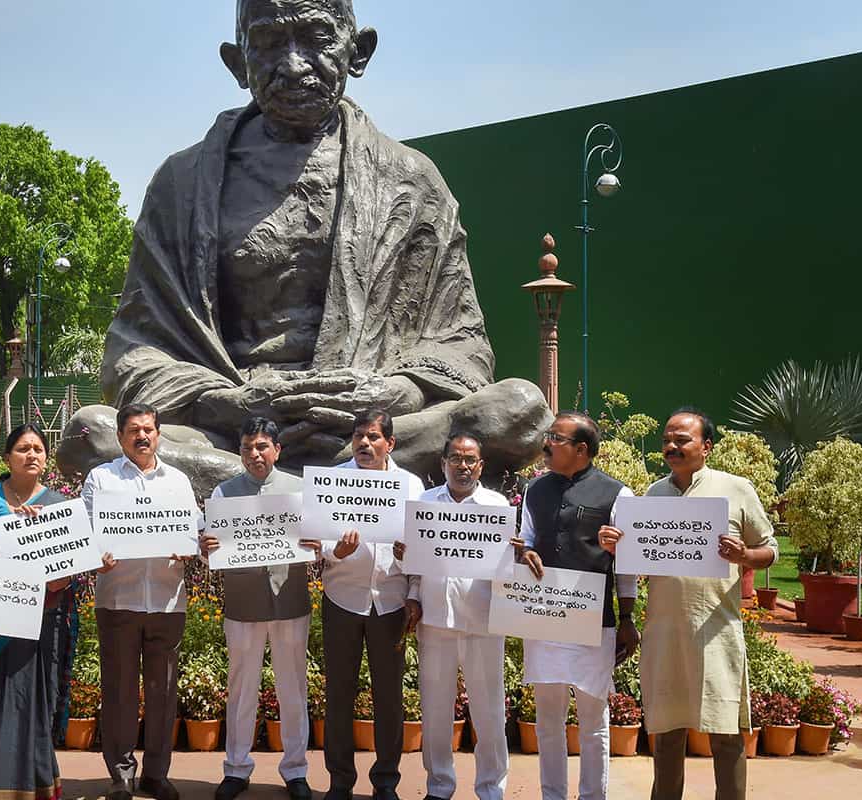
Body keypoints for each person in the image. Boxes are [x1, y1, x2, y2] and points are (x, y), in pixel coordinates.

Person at [67, 0, 548, 484]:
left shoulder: (412, 181)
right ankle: (327, 485)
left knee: (519, 409)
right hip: (231, 430)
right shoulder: (181, 184)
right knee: (92, 433)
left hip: (372, 426)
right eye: (270, 44)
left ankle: (274, 487)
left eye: (316, 38)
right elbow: (135, 352)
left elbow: (462, 347)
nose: (293, 65)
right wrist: (225, 402)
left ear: (358, 52)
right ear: (238, 62)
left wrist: (391, 391)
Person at [600, 408, 778, 800]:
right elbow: (637, 556)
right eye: (667, 440)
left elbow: (771, 550)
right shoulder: (653, 495)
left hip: (716, 631)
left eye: (682, 440)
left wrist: (746, 555)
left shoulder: (737, 489)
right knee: (665, 735)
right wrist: (616, 545)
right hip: (665, 630)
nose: (671, 447)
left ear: (706, 446)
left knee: (726, 734)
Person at [81, 403, 199, 800]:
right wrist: (96, 554)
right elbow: (85, 533)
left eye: (148, 429)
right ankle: (120, 775)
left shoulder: (179, 482)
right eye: (133, 430)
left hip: (167, 600)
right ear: (120, 437)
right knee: (119, 692)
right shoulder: (101, 479)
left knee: (164, 692)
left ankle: (156, 774)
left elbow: (195, 532)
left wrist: (190, 548)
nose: (142, 436)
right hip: (118, 598)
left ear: (159, 434)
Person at [518, 412, 638, 800]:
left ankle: (592, 796)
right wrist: (526, 556)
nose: (547, 444)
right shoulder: (535, 491)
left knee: (593, 719)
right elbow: (525, 541)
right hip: (544, 616)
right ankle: (552, 795)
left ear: (581, 450)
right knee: (547, 719)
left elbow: (628, 564)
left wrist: (628, 619)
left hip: (594, 620)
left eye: (556, 437)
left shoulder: (617, 494)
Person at [0, 423, 76, 800]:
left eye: (38, 449)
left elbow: (68, 570)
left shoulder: (58, 505)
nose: (32, 455)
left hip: (46, 620)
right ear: (7, 457)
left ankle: (37, 788)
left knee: (37, 704)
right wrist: (11, 534)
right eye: (23, 448)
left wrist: (60, 576)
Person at [198, 417, 313, 800]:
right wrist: (207, 544)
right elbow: (207, 540)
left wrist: (317, 542)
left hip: (290, 603)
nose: (254, 454)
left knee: (293, 689)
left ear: (277, 450)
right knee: (241, 689)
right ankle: (236, 768)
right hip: (243, 604)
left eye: (262, 446)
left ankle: (296, 770)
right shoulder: (224, 493)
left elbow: (320, 540)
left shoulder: (299, 491)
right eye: (247, 447)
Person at [318, 409, 424, 800]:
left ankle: (385, 782)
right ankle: (339, 782)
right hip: (343, 600)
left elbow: (422, 549)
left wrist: (413, 587)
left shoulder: (411, 486)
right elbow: (320, 543)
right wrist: (339, 551)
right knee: (339, 694)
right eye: (359, 436)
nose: (365, 443)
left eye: (374, 437)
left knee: (389, 697)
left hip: (391, 604)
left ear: (389, 443)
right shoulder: (334, 481)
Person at [400, 431, 510, 800]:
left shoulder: (498, 507)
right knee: (434, 709)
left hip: (484, 621)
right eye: (456, 459)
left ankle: (491, 788)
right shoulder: (424, 503)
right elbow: (414, 565)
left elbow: (510, 566)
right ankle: (439, 785)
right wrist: (413, 597)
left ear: (481, 466)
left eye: (470, 460)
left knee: (490, 711)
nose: (462, 467)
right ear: (442, 463)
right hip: (435, 619)